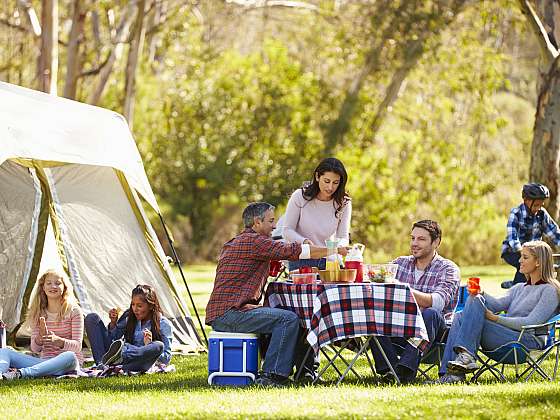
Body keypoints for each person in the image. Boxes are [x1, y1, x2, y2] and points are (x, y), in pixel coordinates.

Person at [205, 202, 349, 387]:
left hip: (226, 311)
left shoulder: (240, 241)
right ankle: (271, 376)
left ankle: (296, 370)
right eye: (271, 221)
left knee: (284, 315)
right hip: (231, 314)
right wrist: (333, 249)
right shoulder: (254, 241)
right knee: (287, 319)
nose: (274, 226)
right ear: (257, 222)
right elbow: (296, 251)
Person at [437, 240, 560, 384]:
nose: (519, 260)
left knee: (462, 317)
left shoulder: (550, 290)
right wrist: (479, 293)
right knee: (464, 311)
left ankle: (462, 362)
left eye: (525, 257)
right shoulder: (519, 287)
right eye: (521, 256)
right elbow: (497, 304)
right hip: (505, 335)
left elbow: (532, 322)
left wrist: (496, 319)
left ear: (538, 262)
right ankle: (453, 373)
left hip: (526, 341)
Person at [370, 220, 460, 384]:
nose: (414, 244)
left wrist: (402, 289)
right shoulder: (399, 264)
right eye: (412, 238)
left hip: (434, 332)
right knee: (374, 314)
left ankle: (404, 371)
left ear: (436, 242)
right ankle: (390, 371)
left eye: (421, 239)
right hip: (400, 326)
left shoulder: (448, 268)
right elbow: (380, 290)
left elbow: (437, 303)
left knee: (430, 313)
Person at [0, 269, 82, 380]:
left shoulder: (74, 311)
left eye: (58, 283)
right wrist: (40, 338)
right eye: (49, 283)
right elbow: (35, 349)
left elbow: (77, 346)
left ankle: (20, 374)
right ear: (43, 287)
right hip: (43, 362)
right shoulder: (38, 312)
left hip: (67, 363)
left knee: (70, 356)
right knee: (4, 351)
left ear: (64, 287)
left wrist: (59, 341)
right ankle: (1, 374)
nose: (53, 286)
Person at [281, 157, 352, 271]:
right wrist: (304, 241)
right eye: (327, 181)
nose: (330, 187)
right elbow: (287, 230)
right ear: (317, 176)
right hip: (301, 259)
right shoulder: (300, 197)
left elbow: (343, 236)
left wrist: (339, 247)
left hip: (328, 262)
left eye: (335, 183)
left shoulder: (343, 202)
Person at [84, 284, 173, 372]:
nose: (135, 309)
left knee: (158, 345)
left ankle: (121, 359)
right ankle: (102, 364)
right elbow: (113, 340)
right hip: (119, 354)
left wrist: (148, 345)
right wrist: (113, 323)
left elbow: (166, 359)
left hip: (139, 361)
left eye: (139, 306)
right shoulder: (129, 316)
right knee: (92, 318)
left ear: (150, 306)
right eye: (133, 305)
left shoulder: (163, 324)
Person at [501, 183, 560, 289]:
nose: (539, 208)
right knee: (526, 263)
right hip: (512, 251)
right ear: (526, 200)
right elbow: (513, 237)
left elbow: (554, 233)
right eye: (536, 205)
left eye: (541, 205)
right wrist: (524, 253)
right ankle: (517, 287)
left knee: (542, 267)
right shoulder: (516, 213)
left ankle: (519, 284)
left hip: (533, 253)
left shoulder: (542, 214)